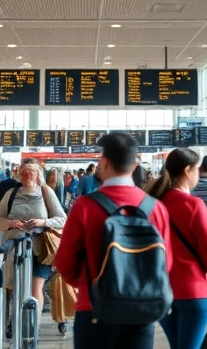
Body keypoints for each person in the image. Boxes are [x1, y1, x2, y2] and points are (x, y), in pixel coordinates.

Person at [55, 133, 173, 349]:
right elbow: (167, 263)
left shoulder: (85, 206)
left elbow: (64, 262)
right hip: (142, 310)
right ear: (135, 165)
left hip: (94, 310)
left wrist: (89, 284)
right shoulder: (156, 208)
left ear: (104, 161)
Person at [146, 149, 207, 349]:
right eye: (196, 170)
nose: (198, 175)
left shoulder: (152, 203)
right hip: (194, 291)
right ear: (187, 171)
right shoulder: (193, 205)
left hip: (161, 292)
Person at [0, 161, 69, 337]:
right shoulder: (11, 194)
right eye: (24, 173)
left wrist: (43, 222)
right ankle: (13, 320)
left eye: (31, 173)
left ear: (38, 175)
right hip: (15, 248)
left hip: (41, 248)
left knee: (36, 289)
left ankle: (32, 329)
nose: (27, 176)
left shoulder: (45, 192)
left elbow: (62, 218)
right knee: (13, 288)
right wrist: (10, 223)